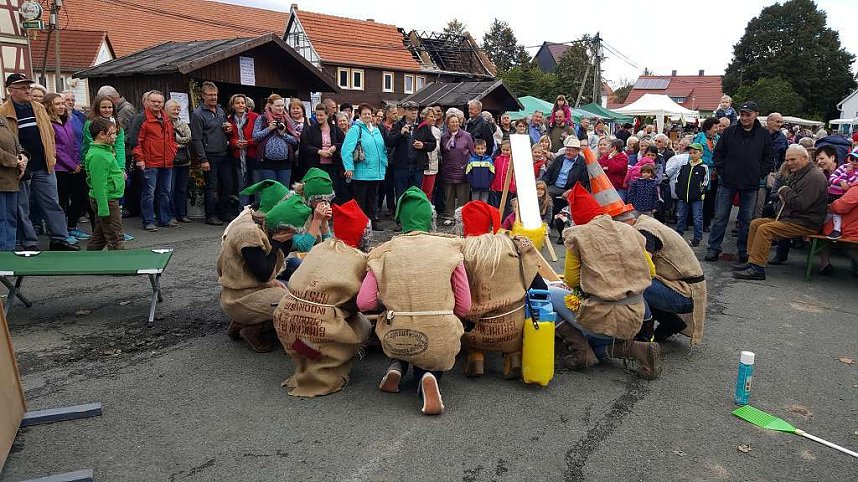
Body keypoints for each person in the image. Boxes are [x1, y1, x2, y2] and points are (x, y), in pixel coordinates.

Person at [358, 187, 470, 415]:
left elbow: (364, 303)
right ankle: (428, 376)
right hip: (439, 331)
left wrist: (387, 302)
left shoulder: (382, 252)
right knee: (433, 349)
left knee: (405, 333)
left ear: (400, 219)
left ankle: (397, 365)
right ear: (430, 219)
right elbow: (464, 305)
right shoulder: (451, 249)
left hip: (396, 333)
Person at [549, 184, 662, 378]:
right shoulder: (628, 230)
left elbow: (572, 280)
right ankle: (637, 349)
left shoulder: (578, 236)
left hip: (603, 316)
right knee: (597, 338)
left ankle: (580, 351)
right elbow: (650, 271)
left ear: (577, 217)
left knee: (544, 295)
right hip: (635, 314)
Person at [273, 199, 372, 397]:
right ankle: (326, 368)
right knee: (363, 324)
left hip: (284, 321)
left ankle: (307, 360)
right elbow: (363, 303)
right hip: (320, 326)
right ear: (363, 235)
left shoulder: (321, 248)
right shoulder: (360, 260)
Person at [455, 200, 545, 379]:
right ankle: (513, 356)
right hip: (513, 330)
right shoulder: (513, 246)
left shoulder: (460, 252)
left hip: (474, 331)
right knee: (515, 329)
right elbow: (539, 286)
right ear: (490, 224)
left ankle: (476, 355)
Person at [218, 193, 311, 352]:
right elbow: (264, 275)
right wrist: (276, 243)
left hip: (242, 292)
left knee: (291, 289)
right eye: (291, 233)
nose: (292, 237)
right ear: (283, 228)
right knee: (298, 305)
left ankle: (241, 322)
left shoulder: (258, 225)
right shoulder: (249, 234)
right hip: (239, 298)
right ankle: (252, 328)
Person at [1, 73, 79, 251]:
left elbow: (49, 134)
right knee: (23, 207)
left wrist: (51, 156)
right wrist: (17, 161)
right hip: (21, 168)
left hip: (44, 164)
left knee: (52, 203)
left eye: (28, 87)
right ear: (11, 91)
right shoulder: (3, 112)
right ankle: (29, 242)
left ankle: (59, 239)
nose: (27, 90)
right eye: (22, 87)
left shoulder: (38, 108)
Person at [733, 145, 827, 280]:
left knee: (765, 229)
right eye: (787, 160)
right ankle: (752, 261)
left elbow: (801, 204)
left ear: (805, 158)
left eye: (793, 159)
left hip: (805, 221)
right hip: (793, 218)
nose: (789, 163)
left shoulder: (814, 177)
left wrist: (784, 190)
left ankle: (757, 268)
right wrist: (784, 192)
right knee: (755, 223)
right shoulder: (801, 173)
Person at [705, 101, 773, 263]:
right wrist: (722, 171)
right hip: (728, 181)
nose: (744, 118)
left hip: (750, 183)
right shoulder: (730, 132)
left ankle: (744, 250)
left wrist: (759, 174)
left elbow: (769, 157)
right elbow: (718, 154)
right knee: (720, 216)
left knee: (746, 219)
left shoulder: (763, 134)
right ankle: (714, 248)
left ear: (756, 115)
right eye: (742, 114)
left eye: (748, 114)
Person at [632, 213, 707, 345]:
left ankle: (645, 334)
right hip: (687, 288)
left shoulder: (643, 232)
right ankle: (672, 323)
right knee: (640, 282)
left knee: (635, 284)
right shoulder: (645, 223)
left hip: (687, 294)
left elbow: (641, 268)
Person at [44, 93, 88, 241]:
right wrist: (71, 165)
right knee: (61, 201)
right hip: (59, 168)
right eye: (57, 104)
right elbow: (56, 149)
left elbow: (74, 143)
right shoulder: (48, 124)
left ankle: (72, 227)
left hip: (74, 166)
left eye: (62, 103)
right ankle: (61, 232)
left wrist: (77, 162)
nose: (62, 106)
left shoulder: (66, 121)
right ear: (49, 106)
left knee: (79, 196)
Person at [133, 91, 178, 231]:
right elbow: (136, 141)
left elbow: (172, 138)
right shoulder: (141, 119)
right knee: (149, 193)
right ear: (147, 102)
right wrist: (139, 159)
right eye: (154, 101)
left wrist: (173, 151)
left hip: (167, 161)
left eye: (159, 102)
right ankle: (148, 221)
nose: (157, 104)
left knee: (165, 192)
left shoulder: (166, 118)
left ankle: (164, 219)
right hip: (149, 162)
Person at [191, 81, 233, 226]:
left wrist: (228, 129)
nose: (213, 97)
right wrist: (203, 159)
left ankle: (224, 212)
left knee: (227, 185)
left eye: (215, 95)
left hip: (224, 153)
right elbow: (196, 139)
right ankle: (211, 215)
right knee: (211, 187)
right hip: (209, 155)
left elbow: (224, 129)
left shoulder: (220, 111)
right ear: (203, 96)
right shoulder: (197, 114)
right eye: (210, 95)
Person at [341, 103, 388, 231]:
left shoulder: (376, 130)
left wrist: (384, 163)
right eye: (364, 114)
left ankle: (372, 221)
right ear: (360, 115)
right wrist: (349, 167)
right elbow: (346, 149)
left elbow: (382, 148)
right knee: (360, 199)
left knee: (373, 198)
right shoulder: (355, 129)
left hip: (376, 171)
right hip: (361, 171)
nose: (367, 116)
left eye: (369, 114)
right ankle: (359, 223)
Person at [85, 117, 125, 251]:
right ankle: (118, 260)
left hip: (108, 198)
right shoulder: (98, 156)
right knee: (115, 236)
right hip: (106, 200)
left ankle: (89, 257)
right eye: (112, 133)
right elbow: (99, 184)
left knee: (101, 235)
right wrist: (103, 208)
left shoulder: (104, 151)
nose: (115, 136)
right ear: (102, 134)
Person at [387, 101, 435, 202]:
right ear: (404, 111)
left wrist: (423, 145)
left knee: (416, 195)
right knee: (401, 195)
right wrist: (400, 134)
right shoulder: (398, 125)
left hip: (418, 167)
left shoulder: (423, 125)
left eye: (416, 110)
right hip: (401, 167)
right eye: (411, 110)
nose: (414, 112)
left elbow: (433, 144)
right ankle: (401, 211)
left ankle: (414, 212)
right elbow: (389, 142)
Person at [541, 136, 590, 235]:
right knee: (544, 193)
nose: (568, 152)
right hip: (555, 186)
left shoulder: (582, 163)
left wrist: (570, 190)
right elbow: (548, 174)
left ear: (577, 151)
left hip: (571, 188)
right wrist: (543, 185)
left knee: (571, 200)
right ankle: (546, 221)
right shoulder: (559, 159)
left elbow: (583, 182)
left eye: (571, 150)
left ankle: (561, 227)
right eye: (567, 150)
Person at [299, 103, 345, 204]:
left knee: (332, 190)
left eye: (321, 115)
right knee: (317, 191)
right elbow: (304, 146)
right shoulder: (310, 130)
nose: (319, 117)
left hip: (332, 166)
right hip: (316, 166)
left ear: (327, 115)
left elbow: (344, 142)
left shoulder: (335, 129)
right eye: (317, 115)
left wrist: (334, 147)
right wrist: (319, 152)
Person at [253, 94, 298, 191]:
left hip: (285, 163)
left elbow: (295, 141)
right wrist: (269, 129)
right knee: (270, 191)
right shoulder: (262, 118)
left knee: (283, 192)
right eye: (277, 106)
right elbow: (255, 137)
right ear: (270, 106)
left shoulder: (288, 119)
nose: (280, 108)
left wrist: (283, 134)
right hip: (267, 163)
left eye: (282, 106)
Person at [440, 111, 474, 221]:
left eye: (456, 122)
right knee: (448, 195)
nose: (455, 124)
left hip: (462, 170)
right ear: (448, 124)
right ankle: (449, 216)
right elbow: (442, 152)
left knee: (462, 196)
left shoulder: (467, 136)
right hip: (448, 170)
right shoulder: (444, 137)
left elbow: (472, 152)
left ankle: (462, 217)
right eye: (452, 122)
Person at [227, 94, 260, 207]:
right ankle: (242, 210)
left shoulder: (254, 117)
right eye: (237, 103)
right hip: (239, 156)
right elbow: (229, 138)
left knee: (256, 185)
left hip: (253, 155)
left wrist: (248, 142)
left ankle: (257, 211)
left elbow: (260, 136)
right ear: (233, 105)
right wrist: (235, 142)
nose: (241, 105)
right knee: (242, 185)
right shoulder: (229, 120)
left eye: (242, 103)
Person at [674, 143, 709, 246]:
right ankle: (678, 236)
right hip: (683, 197)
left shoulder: (703, 167)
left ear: (701, 153)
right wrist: (679, 191)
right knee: (681, 216)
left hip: (697, 198)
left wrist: (701, 192)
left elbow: (706, 181)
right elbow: (678, 179)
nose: (692, 155)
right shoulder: (684, 166)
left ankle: (697, 238)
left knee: (697, 218)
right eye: (690, 153)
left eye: (695, 152)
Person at [819, 185, 858, 275]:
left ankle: (825, 264)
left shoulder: (856, 189)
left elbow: (840, 207)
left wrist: (831, 205)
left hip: (850, 230)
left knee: (822, 231)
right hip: (852, 228)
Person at [0, 109, 24, 251]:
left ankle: (9, 252)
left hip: (11, 179)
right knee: (1, 219)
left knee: (10, 218)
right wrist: (15, 161)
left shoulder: (2, 118)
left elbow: (15, 143)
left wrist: (22, 157)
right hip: (2, 180)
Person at [165, 99, 192, 223]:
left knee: (182, 189)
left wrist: (176, 142)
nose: (176, 112)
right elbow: (167, 140)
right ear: (166, 110)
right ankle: (171, 215)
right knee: (170, 189)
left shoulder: (183, 124)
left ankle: (182, 213)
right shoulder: (164, 123)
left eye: (178, 110)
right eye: (173, 109)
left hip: (184, 160)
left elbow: (188, 138)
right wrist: (177, 142)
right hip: (170, 161)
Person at [824, 148, 858, 239]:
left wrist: (850, 173)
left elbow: (840, 206)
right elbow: (832, 178)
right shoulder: (843, 167)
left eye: (857, 160)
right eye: (852, 158)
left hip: (841, 197)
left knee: (836, 211)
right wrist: (840, 181)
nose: (854, 162)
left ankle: (836, 230)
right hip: (831, 194)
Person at [692, 117, 720, 230]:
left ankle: (706, 223)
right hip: (702, 171)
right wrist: (712, 162)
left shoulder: (718, 139)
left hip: (714, 174)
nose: (717, 129)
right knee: (699, 197)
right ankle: (695, 222)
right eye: (715, 127)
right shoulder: (699, 138)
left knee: (710, 199)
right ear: (708, 128)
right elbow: (694, 155)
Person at [286, 98, 310, 181]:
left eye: (297, 108)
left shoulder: (309, 121)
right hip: (290, 157)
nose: (295, 110)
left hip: (305, 157)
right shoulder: (286, 122)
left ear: (302, 110)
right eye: (293, 108)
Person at [489, 140, 514, 210]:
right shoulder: (497, 159)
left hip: (509, 188)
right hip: (498, 187)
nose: (505, 152)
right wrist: (493, 185)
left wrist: (512, 186)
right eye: (503, 149)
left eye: (507, 150)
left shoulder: (513, 160)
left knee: (507, 205)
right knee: (498, 204)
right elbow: (494, 173)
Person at [465, 138, 492, 203]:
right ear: (474, 149)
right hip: (475, 187)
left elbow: (492, 172)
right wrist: (472, 182)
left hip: (485, 187)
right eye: (478, 148)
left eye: (482, 148)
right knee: (475, 202)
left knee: (484, 202)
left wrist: (488, 181)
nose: (480, 150)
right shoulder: (472, 160)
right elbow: (468, 173)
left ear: (485, 149)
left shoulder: (489, 160)